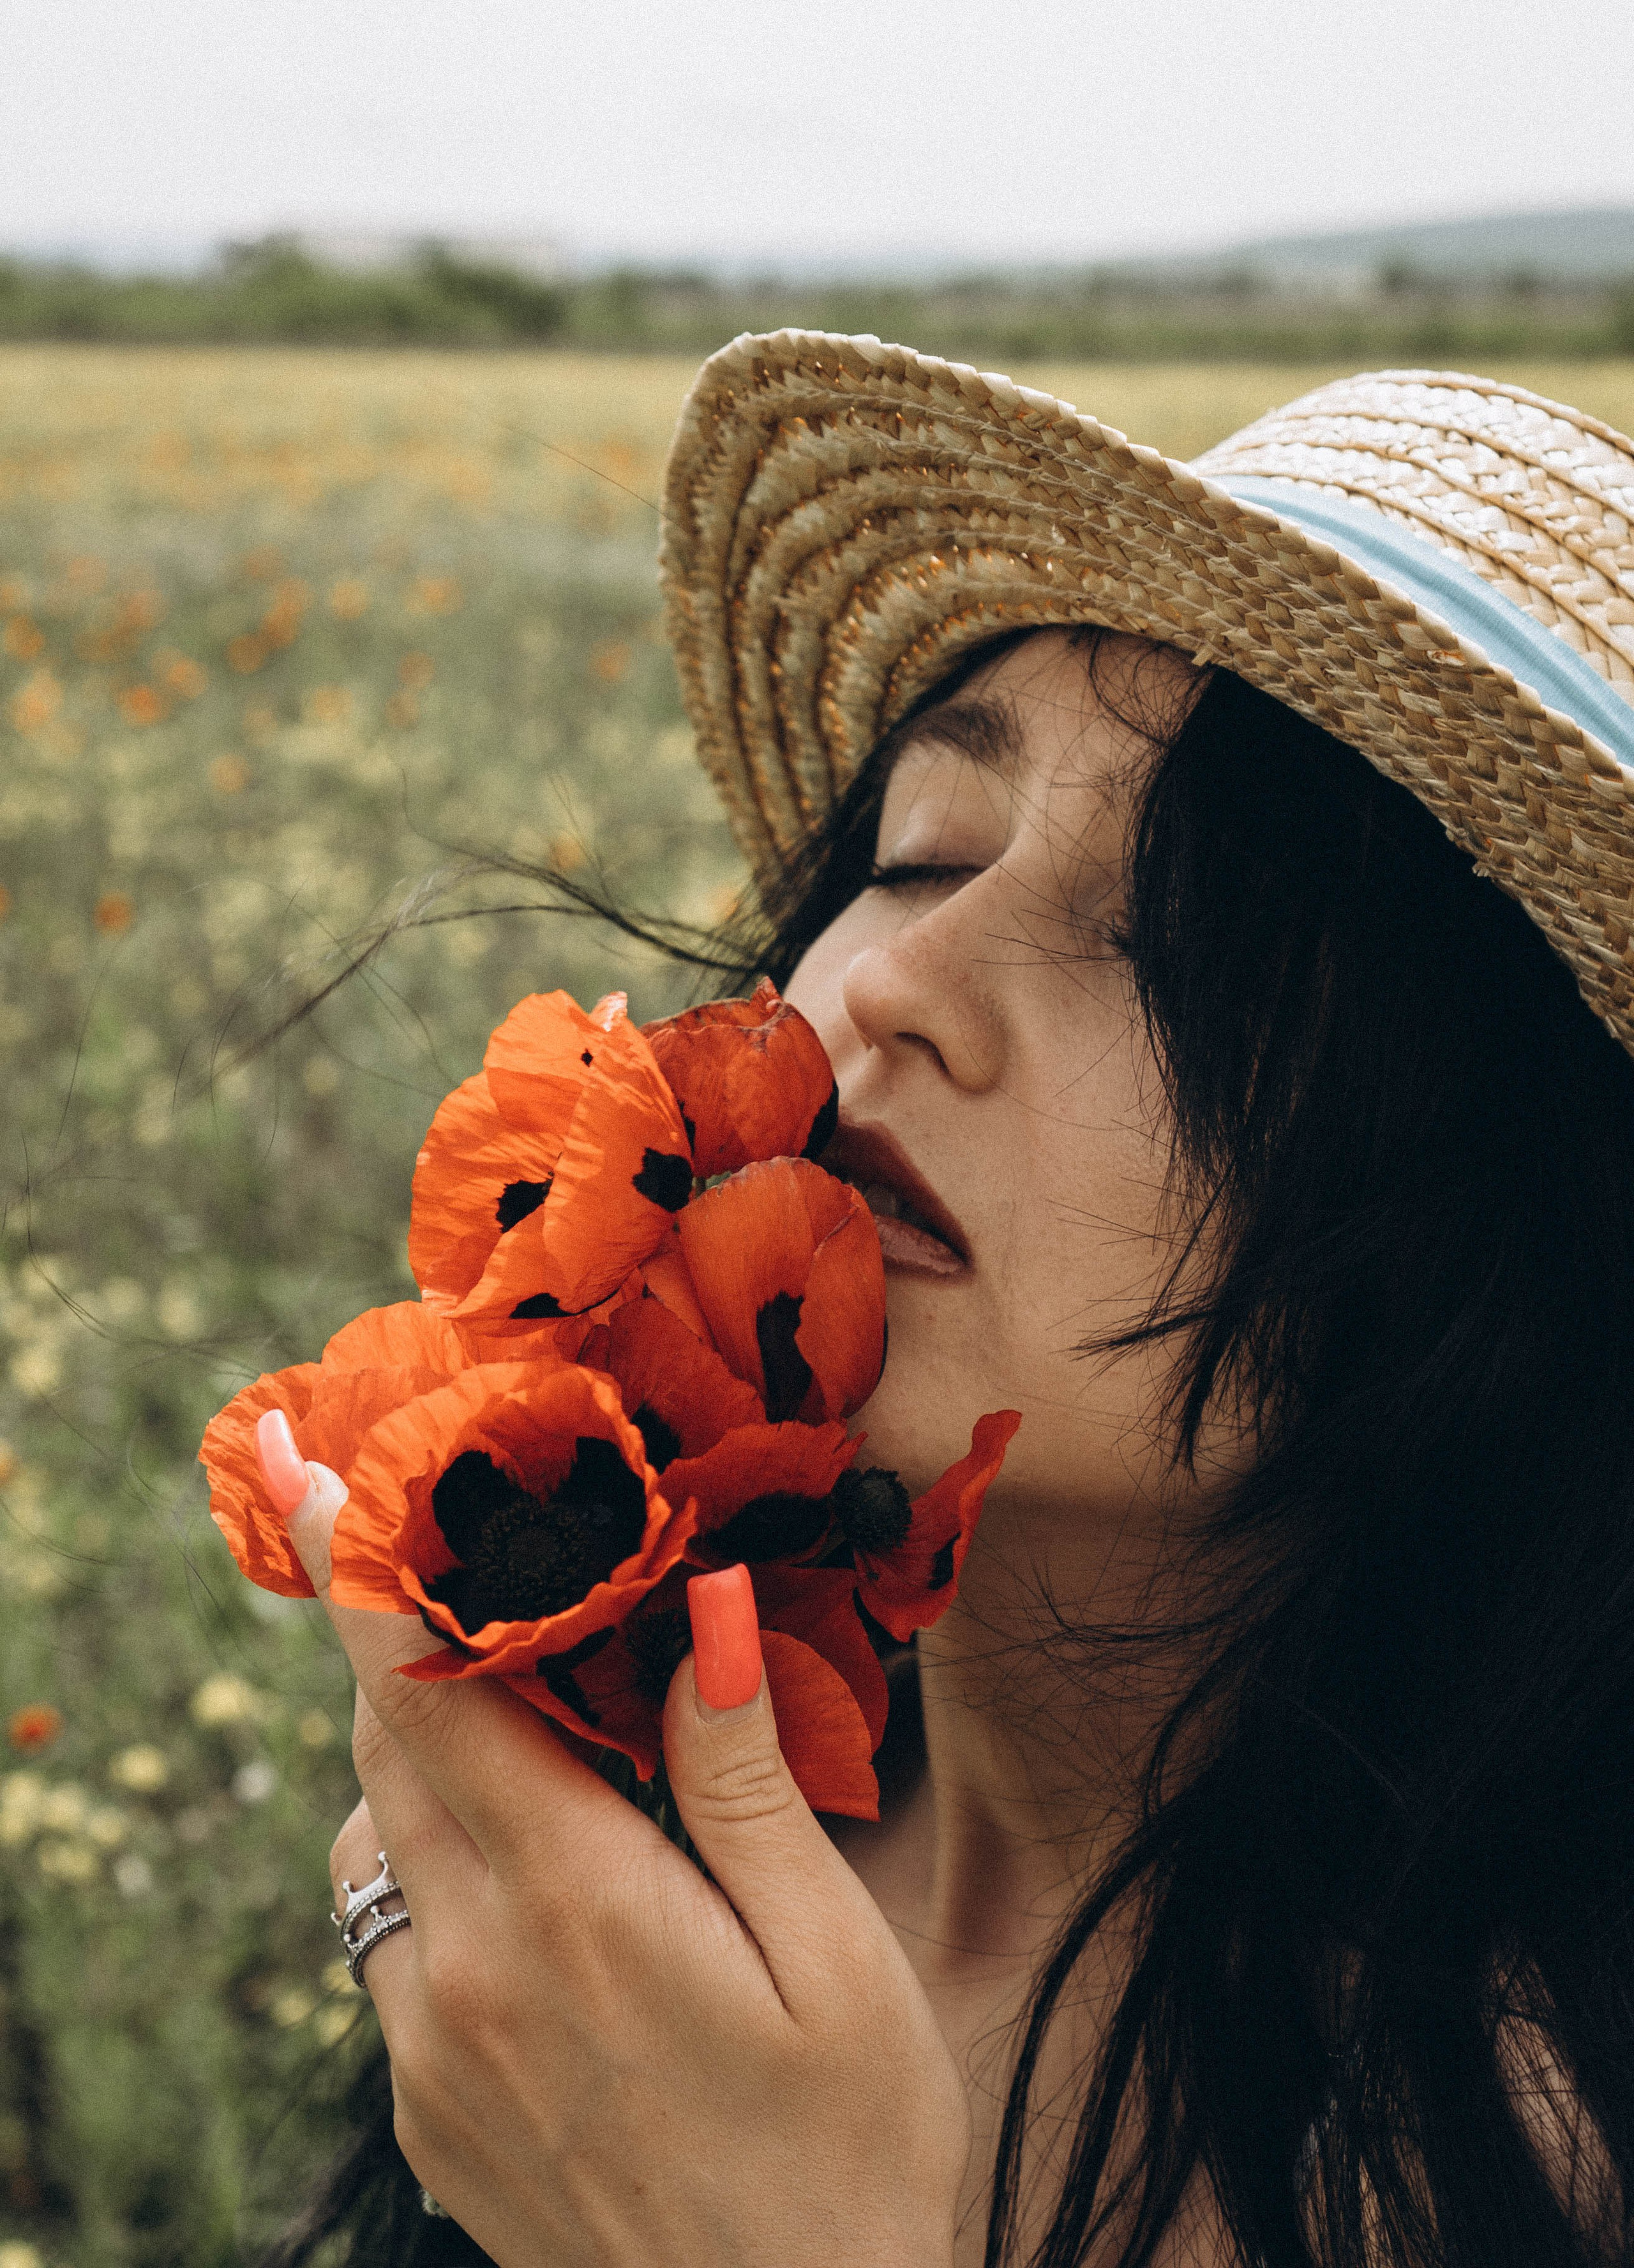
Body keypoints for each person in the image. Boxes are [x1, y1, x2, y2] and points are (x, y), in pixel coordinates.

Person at [264, 344, 1634, 2267]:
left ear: (1519, 1209)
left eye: (1179, 948)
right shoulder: (614, 1840)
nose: (899, 982)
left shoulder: (1526, 2159)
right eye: (924, 852)